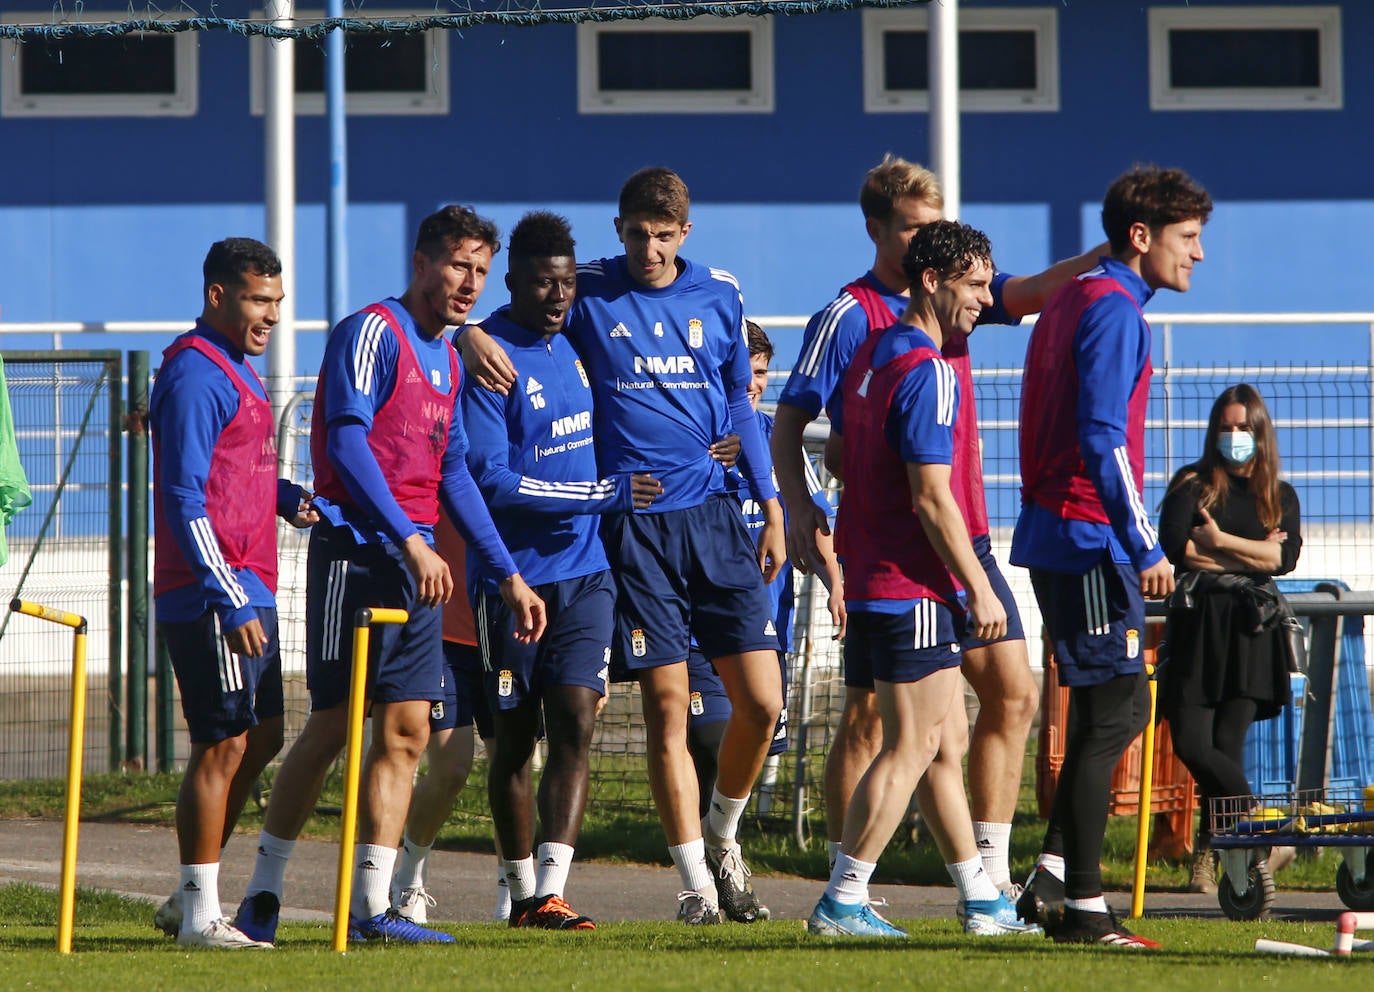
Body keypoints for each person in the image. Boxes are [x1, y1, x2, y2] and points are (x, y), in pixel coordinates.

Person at [460, 168, 785, 925]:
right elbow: (507, 312)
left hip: (713, 517)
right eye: (637, 233)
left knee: (762, 703)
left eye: (663, 235)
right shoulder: (587, 291)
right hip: (634, 529)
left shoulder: (721, 293)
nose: (649, 247)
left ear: (685, 235)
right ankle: (695, 888)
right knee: (668, 706)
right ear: (619, 229)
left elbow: (739, 397)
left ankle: (723, 837)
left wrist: (769, 502)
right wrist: (463, 331)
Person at [773, 154, 1104, 892]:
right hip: (897, 544)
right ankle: (851, 877)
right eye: (916, 228)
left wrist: (1103, 255)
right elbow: (791, 424)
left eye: (937, 225)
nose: (931, 238)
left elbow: (1027, 294)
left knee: (1010, 695)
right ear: (879, 231)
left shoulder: (956, 301)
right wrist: (802, 512)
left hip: (966, 535)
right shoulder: (853, 316)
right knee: (880, 723)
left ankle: (987, 875)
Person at [237, 205, 545, 946]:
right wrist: (408, 537)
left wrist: (506, 574)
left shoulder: (448, 356)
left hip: (420, 568)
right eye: (457, 265)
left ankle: (372, 908)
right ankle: (262, 893)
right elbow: (345, 439)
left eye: (479, 270)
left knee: (407, 732)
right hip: (359, 555)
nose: (469, 283)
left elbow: (453, 473)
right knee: (335, 725)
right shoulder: (372, 331)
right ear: (421, 262)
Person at [806, 221, 1037, 939]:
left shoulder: (875, 352)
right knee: (910, 747)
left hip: (873, 571)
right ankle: (844, 899)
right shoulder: (930, 370)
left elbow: (843, 455)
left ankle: (979, 896)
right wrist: (978, 585)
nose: (986, 298)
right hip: (912, 584)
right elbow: (934, 495)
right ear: (931, 281)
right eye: (974, 285)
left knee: (943, 743)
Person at [1012, 164, 1212, 948]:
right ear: (1142, 236)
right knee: (1111, 709)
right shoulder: (1114, 309)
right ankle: (1086, 910)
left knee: (1118, 706)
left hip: (1066, 530)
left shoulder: (1077, 297)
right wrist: (1142, 542)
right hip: (1087, 535)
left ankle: (1054, 881)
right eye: (1188, 239)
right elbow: (1102, 439)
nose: (1199, 255)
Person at [463, 210, 664, 930]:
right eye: (544, 282)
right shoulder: (490, 361)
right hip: (512, 581)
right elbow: (492, 480)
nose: (558, 295)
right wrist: (467, 331)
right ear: (513, 281)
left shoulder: (577, 335)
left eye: (568, 282)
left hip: (586, 572)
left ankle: (548, 890)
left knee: (575, 718)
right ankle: (517, 892)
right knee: (514, 741)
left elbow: (644, 284)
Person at [150, 237, 316, 948]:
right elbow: (185, 495)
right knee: (222, 744)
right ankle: (198, 915)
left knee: (266, 734)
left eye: (277, 302)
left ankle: (190, 889)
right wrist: (228, 598)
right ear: (218, 295)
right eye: (257, 300)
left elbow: (232, 472)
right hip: (213, 590)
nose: (270, 315)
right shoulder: (194, 373)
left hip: (252, 580)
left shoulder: (238, 369)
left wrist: (284, 496)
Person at [685, 322, 841, 815]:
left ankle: (721, 859)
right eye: (743, 372)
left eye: (761, 372)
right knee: (711, 744)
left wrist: (837, 582)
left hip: (767, 634)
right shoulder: (692, 438)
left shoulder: (778, 441)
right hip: (698, 633)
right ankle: (701, 867)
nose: (753, 383)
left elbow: (815, 521)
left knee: (749, 755)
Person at [1157, 384, 1302, 893]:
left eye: (1244, 427)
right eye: (1227, 425)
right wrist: (1249, 552)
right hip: (1198, 628)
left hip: (1250, 634)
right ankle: (1268, 828)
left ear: (1261, 434)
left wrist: (1217, 541)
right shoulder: (1193, 484)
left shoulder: (1278, 495)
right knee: (1194, 746)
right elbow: (1177, 547)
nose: (1235, 435)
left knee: (1225, 752)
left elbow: (1282, 561)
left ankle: (1220, 862)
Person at [390, 518, 511, 924]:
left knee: (511, 767)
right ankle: (408, 879)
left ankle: (514, 891)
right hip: (444, 637)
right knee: (452, 767)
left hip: (505, 632)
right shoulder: (447, 466)